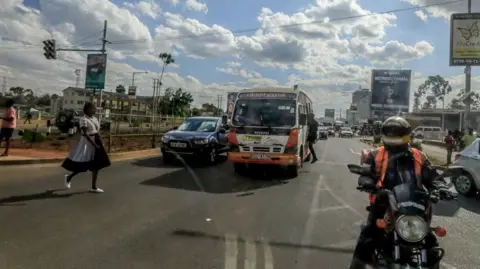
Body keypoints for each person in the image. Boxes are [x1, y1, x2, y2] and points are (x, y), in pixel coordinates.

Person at [349, 116, 454, 269]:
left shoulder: (418, 155)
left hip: (414, 204)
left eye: (396, 133)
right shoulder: (375, 154)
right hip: (384, 202)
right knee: (367, 238)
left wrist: (440, 187)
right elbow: (365, 173)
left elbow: (432, 175)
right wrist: (369, 184)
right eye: (390, 132)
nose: (393, 136)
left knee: (430, 242)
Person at [61, 102, 111, 193]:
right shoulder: (83, 119)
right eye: (93, 108)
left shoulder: (95, 118)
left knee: (97, 165)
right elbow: (85, 134)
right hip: (87, 143)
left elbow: (97, 131)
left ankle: (94, 187)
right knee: (83, 165)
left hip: (96, 140)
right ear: (87, 109)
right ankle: (69, 177)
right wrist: (94, 145)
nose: (95, 110)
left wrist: (101, 142)